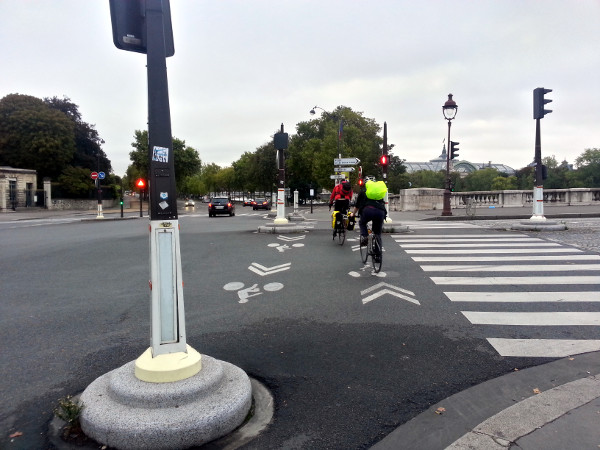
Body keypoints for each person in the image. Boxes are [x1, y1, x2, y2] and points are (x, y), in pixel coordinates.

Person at [353, 179, 387, 261]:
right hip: (380, 211)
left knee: (362, 222)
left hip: (368, 210)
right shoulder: (378, 192)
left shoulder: (363, 191)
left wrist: (353, 214)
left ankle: (364, 236)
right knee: (378, 234)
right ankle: (378, 256)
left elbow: (357, 205)